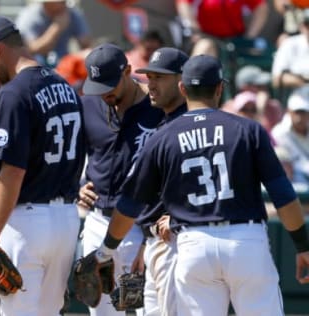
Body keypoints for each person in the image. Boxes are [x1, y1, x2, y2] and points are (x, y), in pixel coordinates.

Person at [92, 54, 309, 315]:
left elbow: (128, 205)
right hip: (245, 241)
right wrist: (302, 246)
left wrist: (106, 250)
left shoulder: (162, 137)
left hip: (193, 245)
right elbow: (283, 196)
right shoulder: (248, 130)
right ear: (220, 88)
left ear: (183, 88)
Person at [0, 16, 85, 315]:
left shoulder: (14, 92)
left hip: (26, 223)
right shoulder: (65, 86)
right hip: (66, 219)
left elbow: (12, 170)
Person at [77, 43, 164, 316]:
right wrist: (76, 186)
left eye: (110, 85)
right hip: (98, 221)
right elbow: (69, 153)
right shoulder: (88, 104)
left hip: (140, 226)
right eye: (98, 86)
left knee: (148, 310)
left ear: (128, 71)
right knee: (101, 311)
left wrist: (148, 238)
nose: (105, 93)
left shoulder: (157, 107)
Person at [132, 46, 189, 316]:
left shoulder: (189, 124)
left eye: (159, 78)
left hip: (178, 242)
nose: (151, 85)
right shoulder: (164, 123)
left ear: (182, 81)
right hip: (156, 240)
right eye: (149, 77)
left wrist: (177, 217)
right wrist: (145, 243)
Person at [176, 0, 269, 57]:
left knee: (258, 50)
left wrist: (250, 36)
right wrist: (194, 30)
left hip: (236, 39)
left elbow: (261, 7)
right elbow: (183, 4)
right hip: (206, 36)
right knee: (204, 48)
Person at [15, 0, 91, 67]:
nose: (65, 4)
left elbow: (86, 45)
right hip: (37, 68)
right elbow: (30, 49)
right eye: (62, 2)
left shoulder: (72, 13)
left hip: (64, 66)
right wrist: (56, 28)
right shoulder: (29, 16)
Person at [272, 87, 309, 181]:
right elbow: (294, 162)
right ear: (289, 111)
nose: (300, 116)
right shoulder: (279, 132)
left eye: (303, 112)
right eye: (297, 112)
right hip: (293, 178)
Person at [272, 8, 309, 90]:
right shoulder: (290, 44)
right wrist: (302, 80)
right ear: (302, 26)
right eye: (307, 24)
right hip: (299, 98)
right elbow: (277, 79)